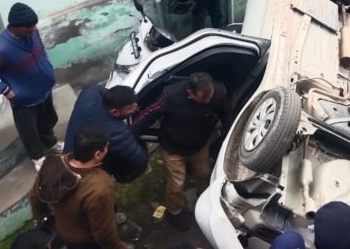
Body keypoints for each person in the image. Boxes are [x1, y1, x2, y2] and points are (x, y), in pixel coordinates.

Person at [130, 72, 233, 231]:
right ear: (189, 93)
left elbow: (226, 114)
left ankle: (205, 201)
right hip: (174, 148)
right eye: (203, 98)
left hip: (200, 145)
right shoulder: (170, 95)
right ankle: (174, 211)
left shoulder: (218, 93)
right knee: (176, 185)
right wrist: (129, 135)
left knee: (204, 174)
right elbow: (150, 113)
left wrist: (230, 135)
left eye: (209, 97)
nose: (207, 101)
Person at [0, 2, 61, 171]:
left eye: (34, 25)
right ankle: (38, 157)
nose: (33, 29)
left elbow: (41, 51)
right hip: (24, 99)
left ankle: (50, 143)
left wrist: (47, 67)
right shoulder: (0, 49)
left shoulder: (33, 34)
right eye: (29, 27)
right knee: (29, 131)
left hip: (44, 90)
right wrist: (4, 90)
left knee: (48, 120)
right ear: (15, 27)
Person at [30, 127, 133, 249]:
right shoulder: (98, 187)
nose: (107, 150)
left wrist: (44, 218)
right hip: (87, 240)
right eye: (106, 147)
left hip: (62, 230)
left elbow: (35, 196)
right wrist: (119, 247)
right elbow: (103, 232)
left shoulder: (54, 162)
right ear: (98, 154)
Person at [64, 85, 148, 183]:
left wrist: (127, 103)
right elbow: (139, 157)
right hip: (81, 167)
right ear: (115, 112)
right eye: (129, 109)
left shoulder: (90, 92)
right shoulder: (115, 130)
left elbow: (103, 91)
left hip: (69, 152)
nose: (132, 110)